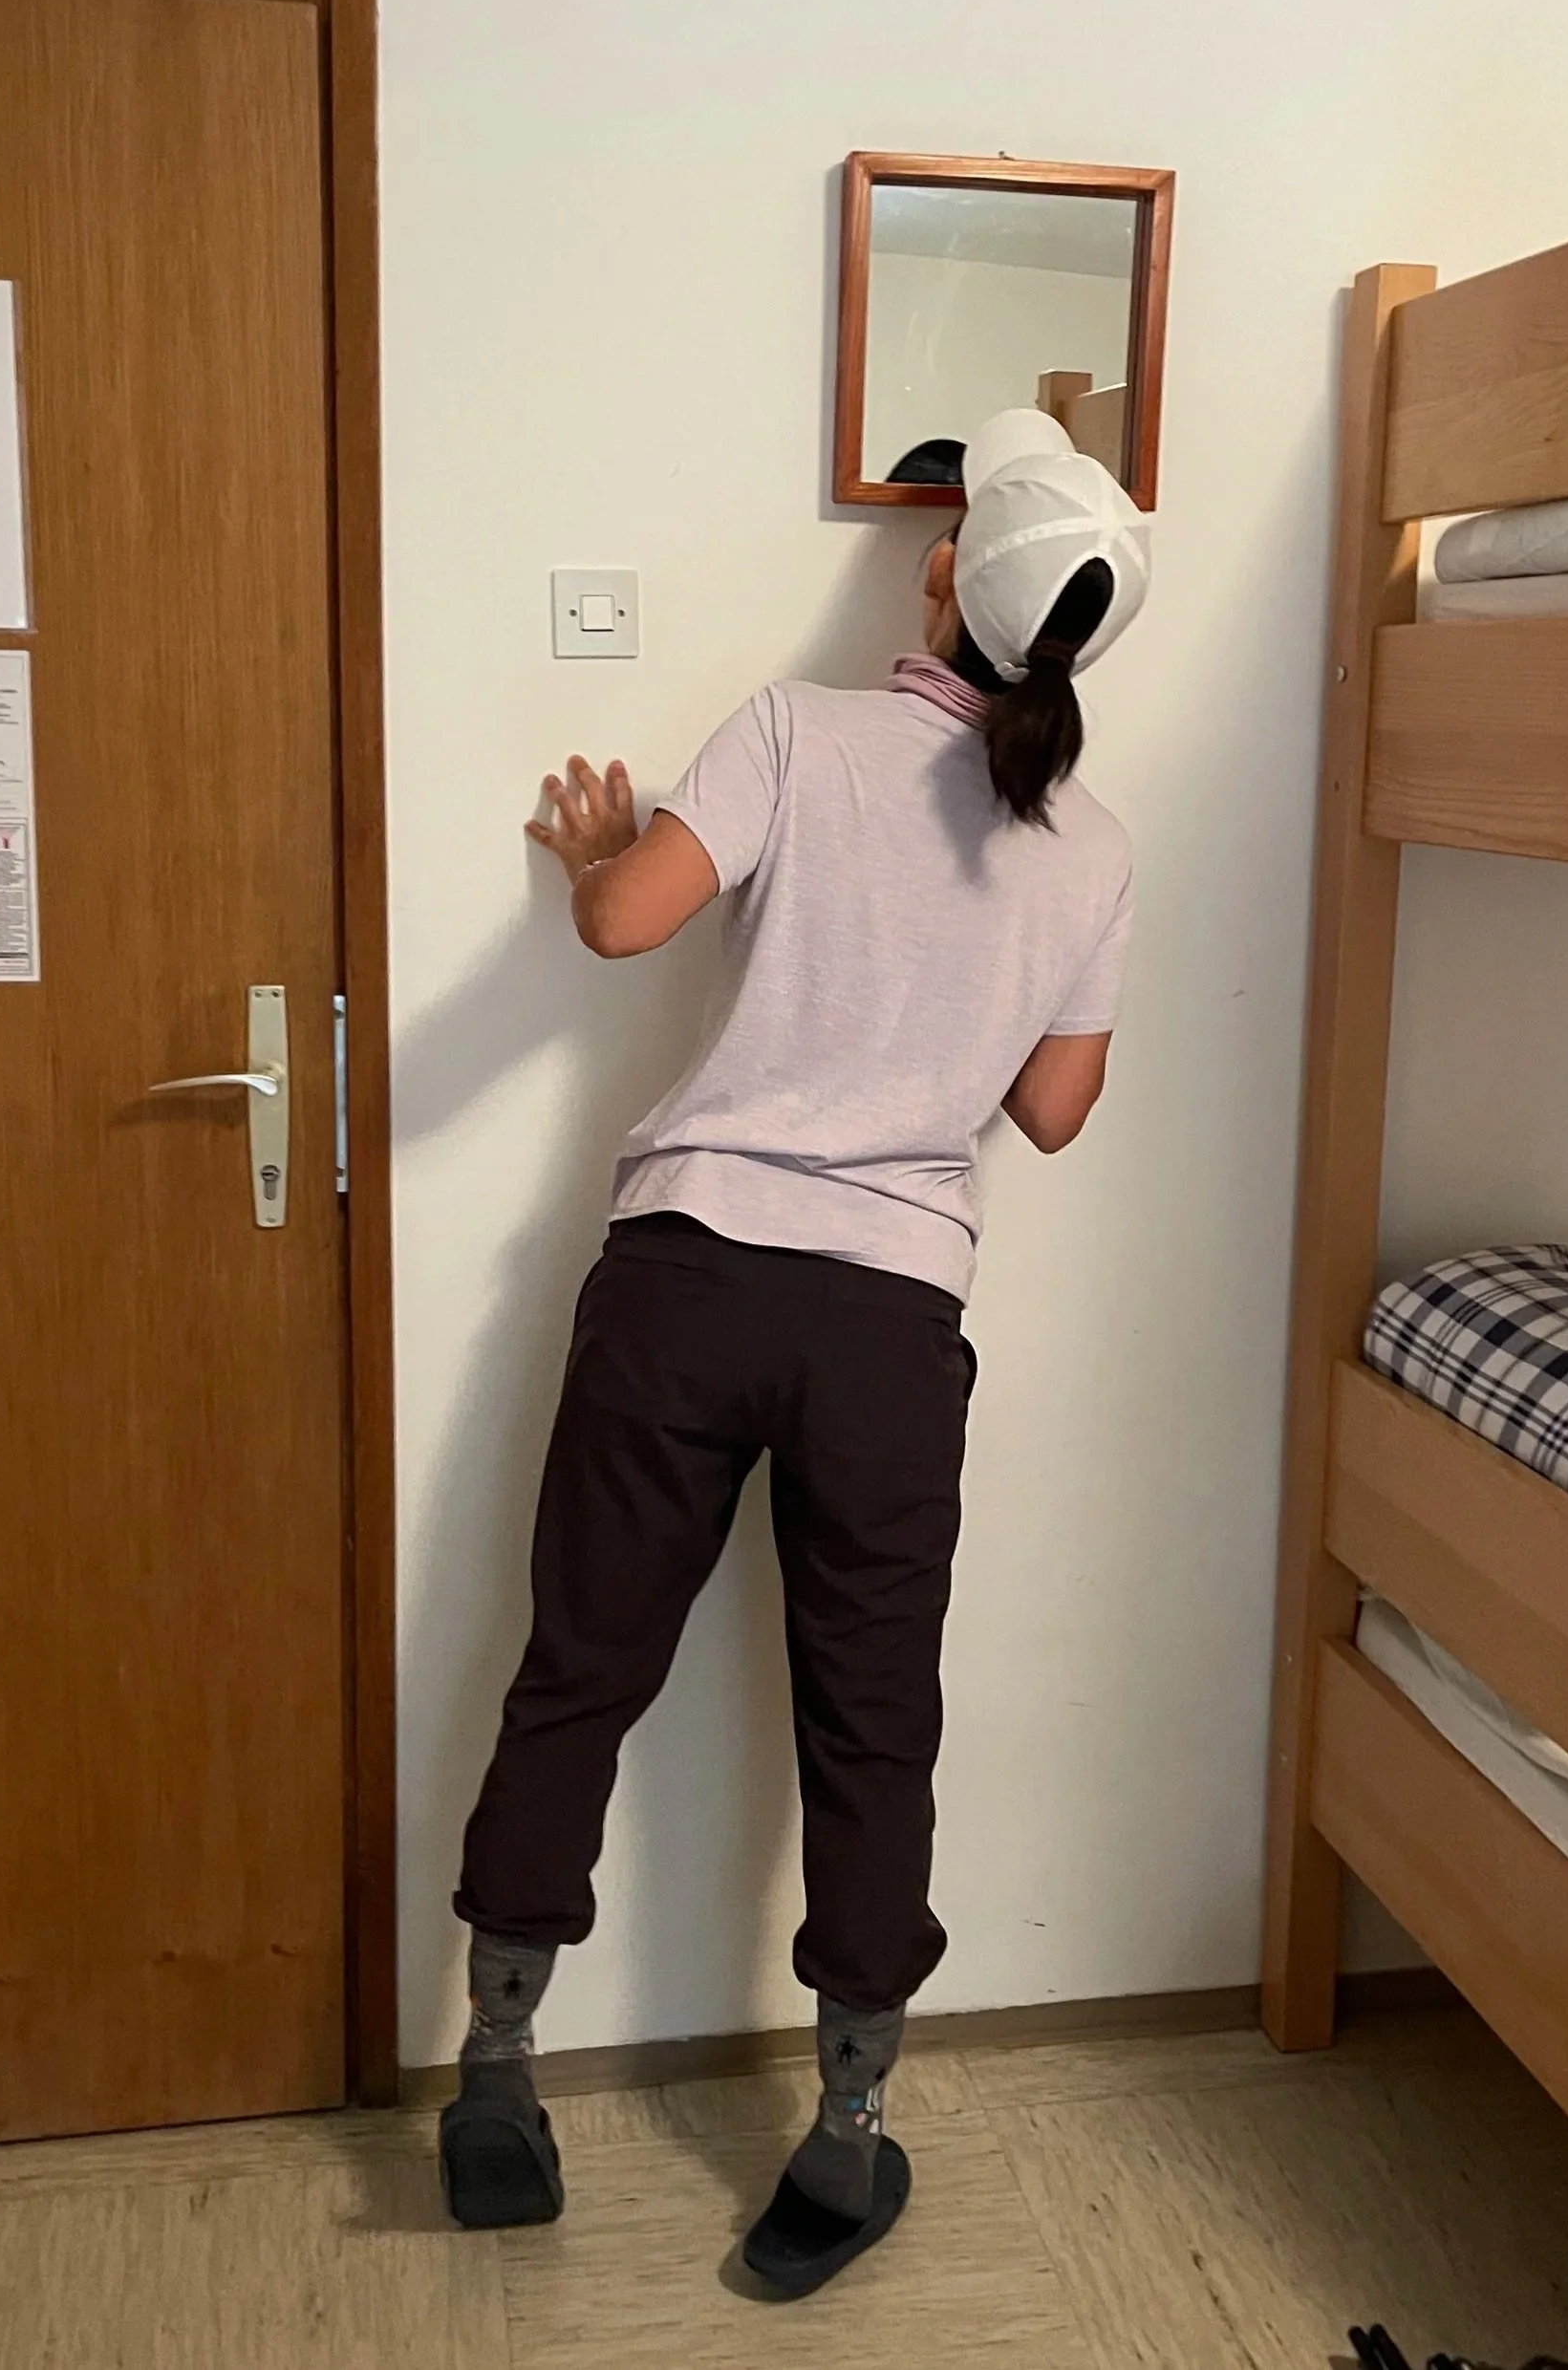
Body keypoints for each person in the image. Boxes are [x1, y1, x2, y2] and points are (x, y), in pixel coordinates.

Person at [440, 406, 1151, 2296]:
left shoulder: (792, 732)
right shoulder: (1091, 848)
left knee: (582, 1668)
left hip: (687, 1283)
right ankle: (844, 2133)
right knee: (872, 1719)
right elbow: (1055, 1111)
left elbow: (622, 926)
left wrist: (600, 852)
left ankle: (497, 2068)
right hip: (888, 1328)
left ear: (941, 576)